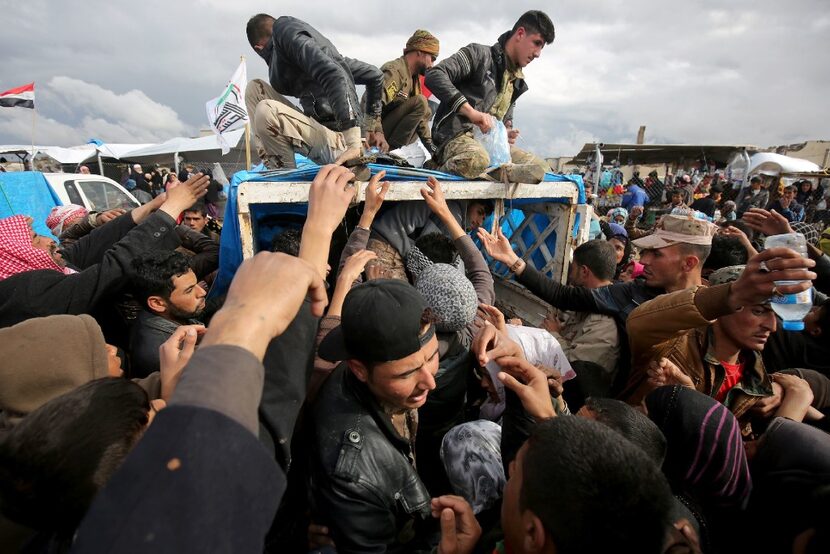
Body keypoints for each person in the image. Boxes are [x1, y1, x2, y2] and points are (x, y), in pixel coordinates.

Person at [309, 279, 439, 552]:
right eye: (406, 373)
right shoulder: (352, 476)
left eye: (433, 357)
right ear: (359, 370)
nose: (430, 382)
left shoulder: (388, 385)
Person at [623, 256, 817, 424]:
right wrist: (731, 294)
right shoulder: (672, 346)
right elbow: (640, 322)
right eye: (758, 311)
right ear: (723, 308)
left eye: (775, 314)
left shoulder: (756, 379)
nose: (771, 326)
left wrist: (791, 396)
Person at [0, 173, 209, 328]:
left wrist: (150, 207)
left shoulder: (53, 265)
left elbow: (91, 244)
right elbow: (114, 266)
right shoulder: (30, 293)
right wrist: (169, 211)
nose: (48, 240)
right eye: (36, 239)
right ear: (18, 255)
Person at [424, 10, 554, 178]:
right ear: (520, 34)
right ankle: (434, 169)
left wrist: (505, 134)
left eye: (541, 47)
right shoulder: (478, 55)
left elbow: (504, 122)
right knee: (476, 161)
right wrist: (471, 113)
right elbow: (434, 75)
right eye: (536, 43)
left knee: (542, 170)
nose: (537, 54)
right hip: (454, 137)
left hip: (489, 147)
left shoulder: (516, 82)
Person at [245, 14, 386, 168]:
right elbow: (375, 75)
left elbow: (334, 74)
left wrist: (353, 142)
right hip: (321, 132)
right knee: (255, 89)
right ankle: (270, 162)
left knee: (266, 111)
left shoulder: (283, 30)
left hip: (341, 141)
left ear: (258, 48)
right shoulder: (316, 57)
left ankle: (283, 173)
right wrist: (371, 125)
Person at [369, 177, 493, 280]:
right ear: (469, 203)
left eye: (483, 219)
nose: (479, 222)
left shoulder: (455, 215)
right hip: (384, 243)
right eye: (479, 212)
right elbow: (429, 257)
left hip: (395, 246)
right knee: (397, 299)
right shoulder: (452, 212)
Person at [540, 240, 620, 398]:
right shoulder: (585, 302)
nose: (570, 275)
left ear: (584, 272)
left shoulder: (605, 323)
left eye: (573, 268)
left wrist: (554, 335)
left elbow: (575, 370)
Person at [128, 251, 206, 378]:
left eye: (197, 283)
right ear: (157, 303)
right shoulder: (161, 356)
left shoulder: (175, 313)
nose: (202, 292)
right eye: (189, 290)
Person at [374, 30, 440, 153]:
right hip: (374, 134)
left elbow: (422, 121)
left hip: (385, 133)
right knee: (421, 101)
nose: (432, 64)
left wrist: (433, 149)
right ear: (419, 52)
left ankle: (399, 152)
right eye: (432, 58)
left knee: (425, 109)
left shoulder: (414, 79)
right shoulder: (395, 71)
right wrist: (378, 132)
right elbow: (372, 103)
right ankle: (394, 151)